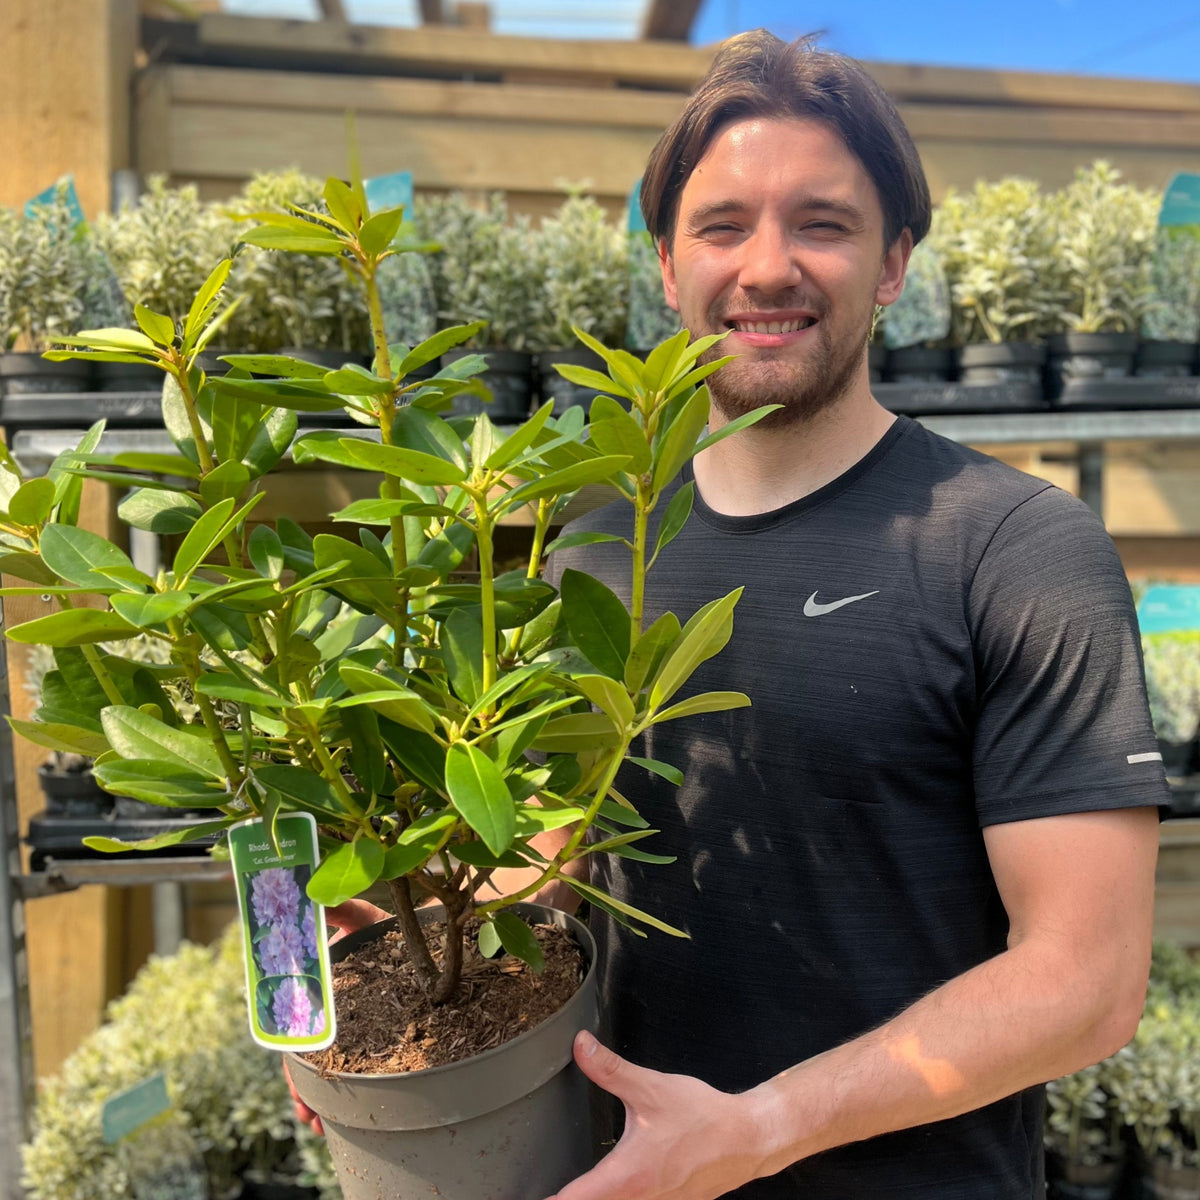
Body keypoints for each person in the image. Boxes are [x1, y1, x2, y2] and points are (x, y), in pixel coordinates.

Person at [294, 31, 1166, 1200]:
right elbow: (559, 850)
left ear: (896, 262)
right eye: (722, 226)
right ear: (665, 264)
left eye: (822, 223)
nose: (766, 268)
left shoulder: (1013, 547)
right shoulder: (588, 542)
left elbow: (1088, 981)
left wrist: (760, 1129)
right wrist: (388, 984)